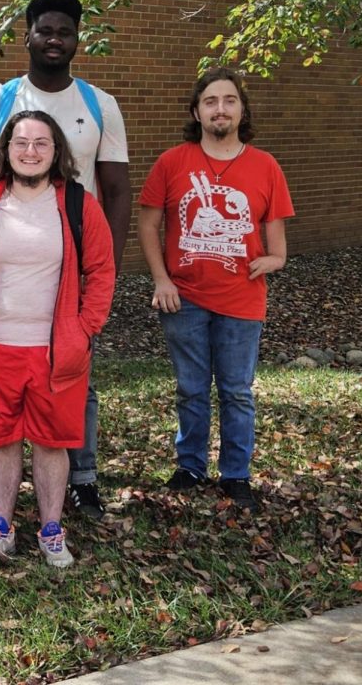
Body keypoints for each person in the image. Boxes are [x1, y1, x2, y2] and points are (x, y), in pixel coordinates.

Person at [0, 0, 130, 520]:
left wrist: (103, 273)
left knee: (77, 377)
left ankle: (83, 479)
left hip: (71, 272)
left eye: (65, 31)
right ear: (27, 34)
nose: (55, 39)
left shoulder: (100, 105)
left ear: (78, 40)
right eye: (45, 30)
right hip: (7, 268)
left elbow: (118, 191)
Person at [0, 111, 115, 568]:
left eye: (41, 143)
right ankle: (1, 526)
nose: (30, 151)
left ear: (56, 151)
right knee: (1, 439)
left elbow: (101, 270)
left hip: (57, 350)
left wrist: (86, 328)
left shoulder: (78, 205)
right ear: (6, 150)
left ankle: (50, 529)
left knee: (51, 442)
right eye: (21, 142)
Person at [137, 67, 293, 515]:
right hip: (183, 297)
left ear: (242, 110)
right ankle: (190, 467)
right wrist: (161, 278)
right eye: (210, 101)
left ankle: (236, 474)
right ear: (196, 111)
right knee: (190, 387)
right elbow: (148, 222)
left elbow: (277, 237)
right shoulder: (172, 162)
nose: (220, 108)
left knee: (236, 390)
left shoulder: (265, 165)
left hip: (242, 299)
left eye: (229, 100)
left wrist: (274, 259)